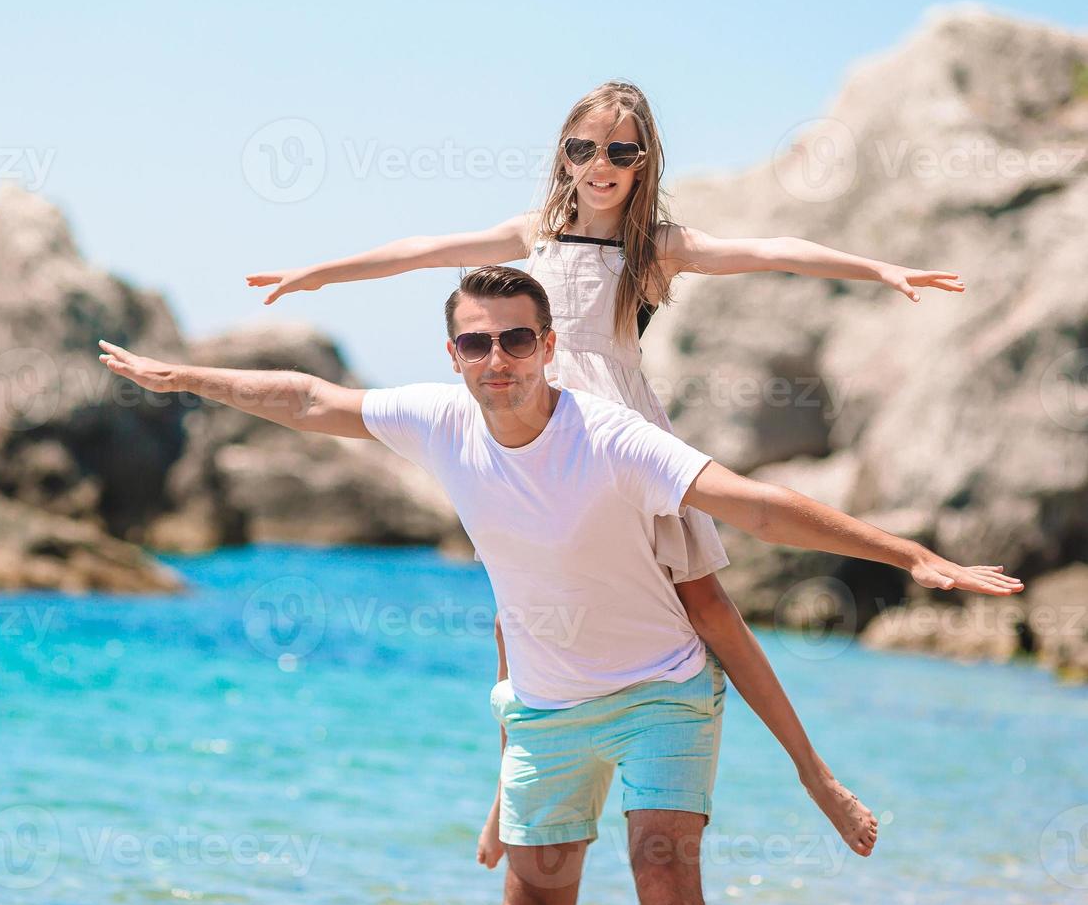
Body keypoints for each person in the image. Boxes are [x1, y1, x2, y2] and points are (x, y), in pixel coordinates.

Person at [98, 265, 1019, 905]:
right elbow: (304, 400)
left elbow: (760, 508)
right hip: (544, 712)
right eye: (476, 343)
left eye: (515, 340)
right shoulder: (435, 420)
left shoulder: (612, 436)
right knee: (534, 901)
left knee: (664, 882)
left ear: (545, 346)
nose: (495, 359)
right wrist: (184, 379)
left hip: (662, 690)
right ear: (452, 351)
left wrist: (909, 555)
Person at [244, 80, 968, 863]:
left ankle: (815, 775)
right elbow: (426, 250)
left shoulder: (657, 245)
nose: (600, 165)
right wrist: (318, 273)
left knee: (707, 607)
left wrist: (881, 270)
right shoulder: (532, 235)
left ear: (642, 160)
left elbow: (773, 253)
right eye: (583, 148)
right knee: (516, 620)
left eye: (620, 151)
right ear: (564, 154)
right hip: (533, 436)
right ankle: (505, 795)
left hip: (613, 441)